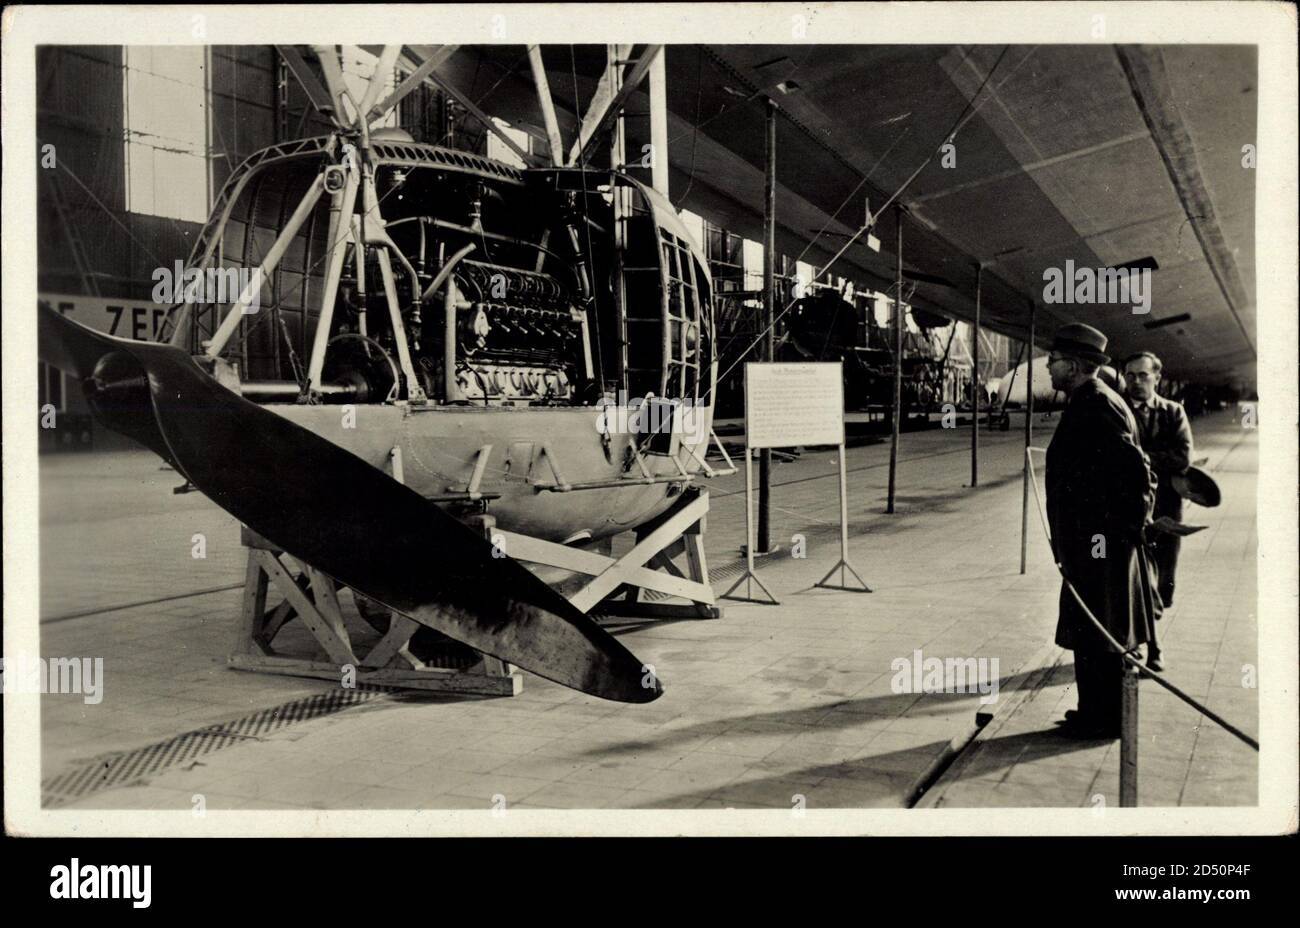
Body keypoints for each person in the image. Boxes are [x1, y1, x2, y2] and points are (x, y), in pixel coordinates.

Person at [1045, 323, 1158, 738]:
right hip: (1094, 541)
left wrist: (1117, 534)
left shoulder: (1095, 404)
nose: (1048, 367)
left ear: (1073, 365)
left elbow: (1137, 472)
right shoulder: (1089, 399)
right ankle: (1093, 711)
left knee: (1100, 624)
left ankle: (1106, 719)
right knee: (1092, 625)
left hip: (1100, 543)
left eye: (1053, 361)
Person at [1123, 351, 1194, 672]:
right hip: (1130, 511)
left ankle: (1148, 642)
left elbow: (1182, 457)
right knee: (1136, 581)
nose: (1136, 381)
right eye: (1131, 375)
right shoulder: (1117, 409)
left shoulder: (1173, 412)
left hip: (1166, 511)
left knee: (1164, 581)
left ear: (1157, 377)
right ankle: (1148, 646)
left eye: (1143, 375)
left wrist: (1138, 458)